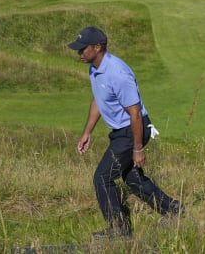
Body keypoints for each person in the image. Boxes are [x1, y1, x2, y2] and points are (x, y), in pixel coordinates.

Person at [68, 27, 184, 239]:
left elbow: (136, 113)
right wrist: (87, 132)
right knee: (132, 180)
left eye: (82, 49)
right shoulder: (94, 68)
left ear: (97, 47)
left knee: (102, 177)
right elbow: (98, 100)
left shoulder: (117, 73)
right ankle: (174, 210)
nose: (79, 53)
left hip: (133, 130)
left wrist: (138, 148)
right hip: (123, 131)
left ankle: (119, 230)